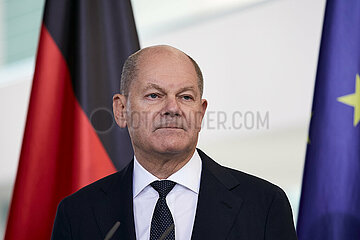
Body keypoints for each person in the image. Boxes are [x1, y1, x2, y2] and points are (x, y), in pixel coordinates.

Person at [51, 45, 297, 240]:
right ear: (122, 110)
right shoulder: (77, 214)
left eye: (185, 96)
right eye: (154, 95)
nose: (172, 108)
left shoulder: (264, 204)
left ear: (200, 113)